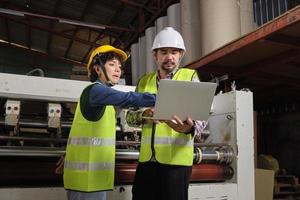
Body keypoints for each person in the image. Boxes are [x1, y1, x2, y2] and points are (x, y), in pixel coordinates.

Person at [57, 44, 156, 200]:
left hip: (94, 180)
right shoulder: (95, 91)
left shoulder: (105, 102)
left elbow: (83, 131)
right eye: (111, 64)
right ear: (97, 69)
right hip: (85, 182)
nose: (118, 69)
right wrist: (160, 97)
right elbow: (128, 98)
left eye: (119, 66)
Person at [126, 27, 206, 200]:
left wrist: (188, 129)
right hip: (147, 162)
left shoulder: (190, 77)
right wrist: (145, 114)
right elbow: (129, 117)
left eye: (174, 52)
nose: (169, 57)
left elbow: (201, 115)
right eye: (164, 52)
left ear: (181, 55)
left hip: (176, 164)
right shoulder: (144, 82)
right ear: (155, 55)